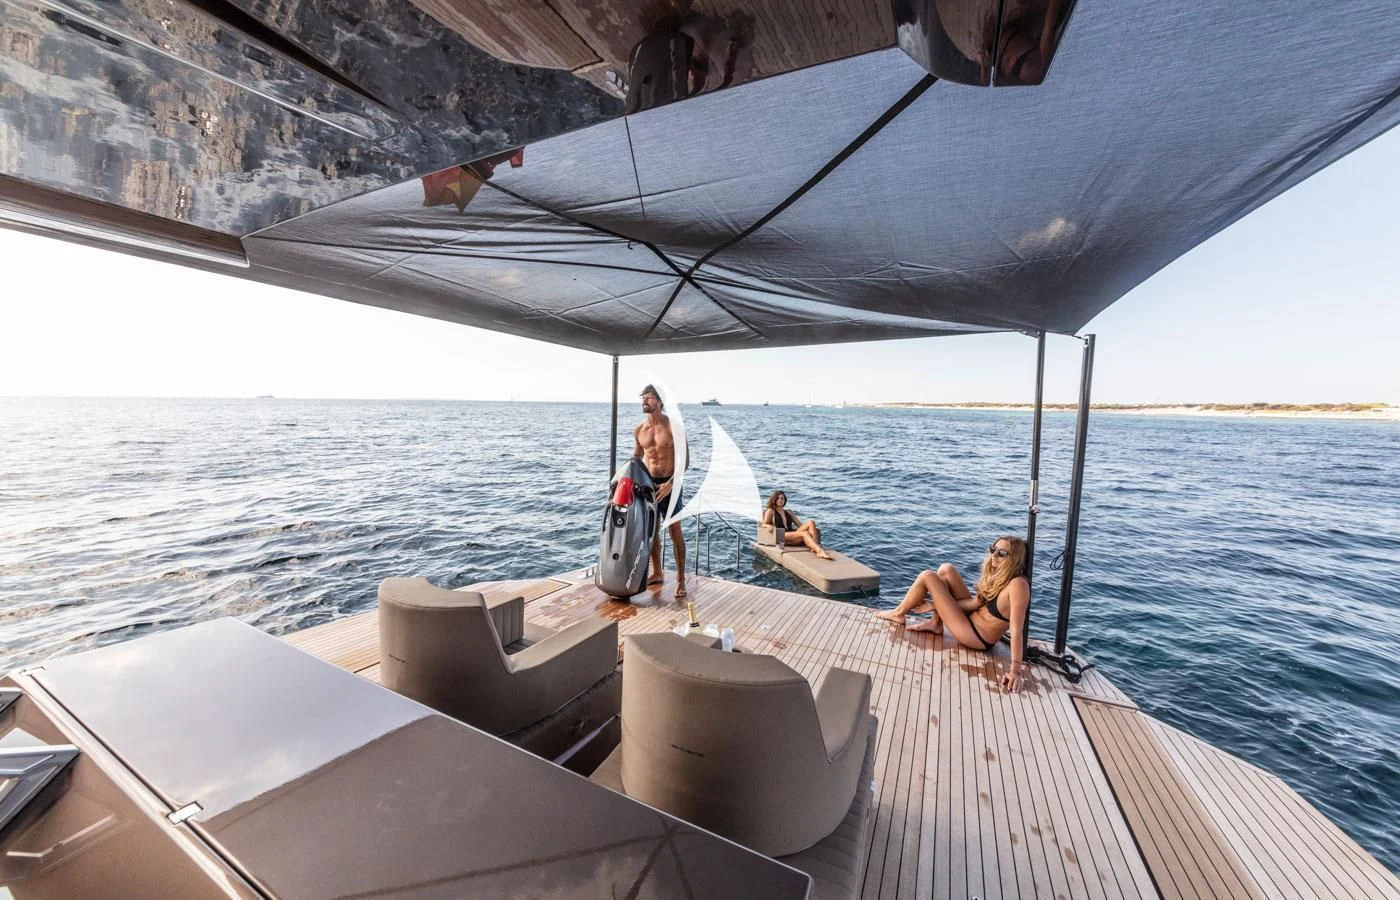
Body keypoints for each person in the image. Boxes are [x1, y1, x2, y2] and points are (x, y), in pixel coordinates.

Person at [876, 536, 1030, 693]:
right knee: (946, 569)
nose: (994, 556)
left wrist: (1015, 671)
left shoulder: (1018, 586)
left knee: (928, 576)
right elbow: (974, 604)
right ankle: (936, 624)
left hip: (976, 636)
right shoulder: (1000, 577)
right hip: (971, 618)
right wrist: (938, 606)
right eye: (993, 550)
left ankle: (898, 613)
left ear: (1014, 559)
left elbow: (1016, 630)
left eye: (1002, 553)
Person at [633, 384, 688, 598]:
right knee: (652, 531)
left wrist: (671, 484)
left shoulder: (674, 426)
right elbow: (636, 457)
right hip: (649, 484)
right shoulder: (639, 429)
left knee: (675, 532)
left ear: (659, 400)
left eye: (648, 398)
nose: (644, 402)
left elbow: (685, 461)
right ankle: (657, 572)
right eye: (643, 398)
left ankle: (681, 580)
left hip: (670, 485)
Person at [762, 490, 833, 560]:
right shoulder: (770, 511)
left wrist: (812, 530)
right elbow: (764, 524)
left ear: (785, 500)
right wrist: (768, 526)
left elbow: (799, 525)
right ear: (774, 500)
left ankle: (814, 546)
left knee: (811, 522)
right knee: (805, 533)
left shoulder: (788, 512)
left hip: (791, 533)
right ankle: (819, 551)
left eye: (782, 498)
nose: (780, 500)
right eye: (778, 498)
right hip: (781, 536)